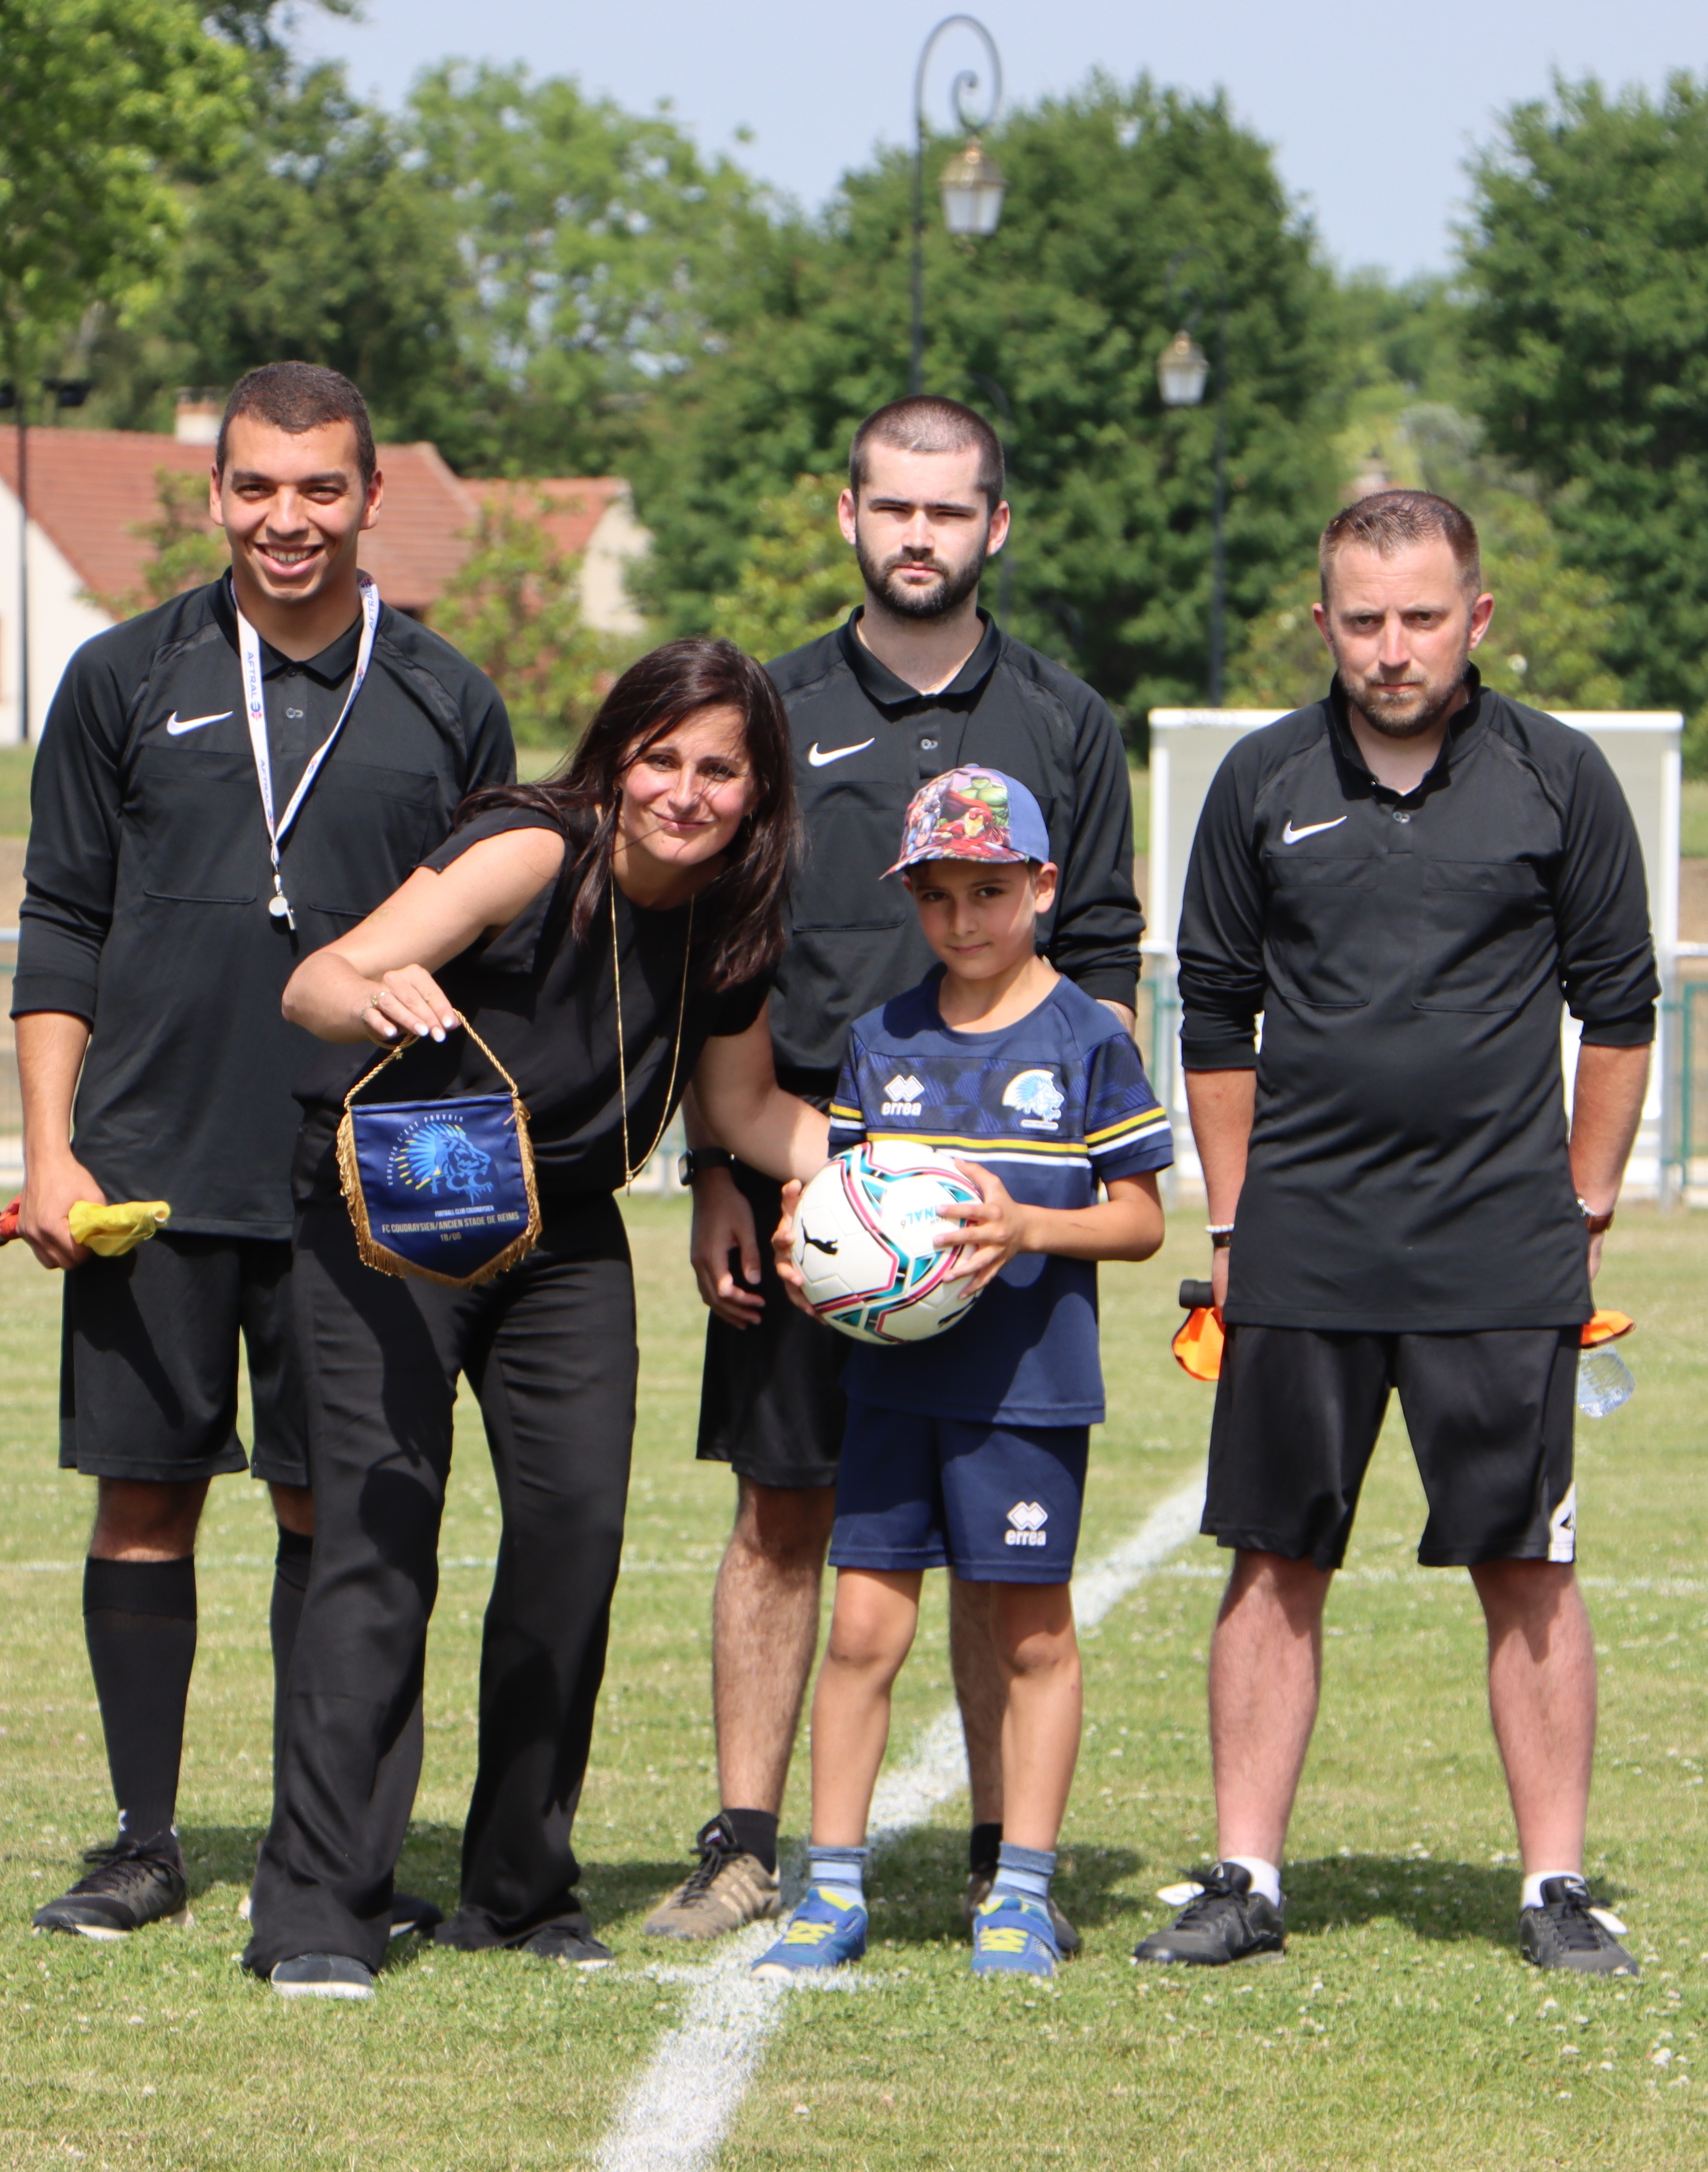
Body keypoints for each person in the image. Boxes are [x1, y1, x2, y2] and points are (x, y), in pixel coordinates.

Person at [12, 362, 514, 1938]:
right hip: (148, 1167)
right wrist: (49, 1147)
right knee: (145, 1499)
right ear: (213, 494)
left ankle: (331, 1847)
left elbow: (489, 953)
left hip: (356, 1186)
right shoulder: (119, 675)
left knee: (336, 1513)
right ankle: (141, 1837)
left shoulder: (447, 693)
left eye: (318, 489)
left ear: (371, 496)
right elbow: (61, 921)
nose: (284, 519)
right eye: (254, 487)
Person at [1142, 489, 1657, 1978]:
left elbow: (1617, 1008)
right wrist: (1234, 1223)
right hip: (1300, 1239)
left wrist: (1585, 1197)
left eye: (1421, 616)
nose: (1391, 646)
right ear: (1323, 622)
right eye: (1361, 619)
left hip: (1500, 1244)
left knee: (1528, 1565)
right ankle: (1243, 1873)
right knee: (1271, 1557)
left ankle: (1556, 1885)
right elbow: (1216, 1012)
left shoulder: (1559, 778)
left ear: (1476, 617)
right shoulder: (1257, 780)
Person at [247, 637, 810, 1999]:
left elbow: (738, 1109)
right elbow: (313, 982)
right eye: (661, 757)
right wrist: (373, 985)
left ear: (756, 789)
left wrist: (879, 1163)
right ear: (617, 759)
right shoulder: (530, 848)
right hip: (407, 1195)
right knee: (381, 1534)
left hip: (566, 1227)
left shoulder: (732, 912)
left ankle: (515, 1890)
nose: (685, 789)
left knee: (574, 1539)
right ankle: (321, 1906)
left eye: (717, 768)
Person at [651, 396, 1143, 1952]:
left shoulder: (1065, 719)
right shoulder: (774, 708)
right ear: (848, 517)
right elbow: (710, 965)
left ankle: (1007, 1856)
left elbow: (1111, 966)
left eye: (950, 511)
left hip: (997, 1231)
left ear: (995, 524)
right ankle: (745, 1843)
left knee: (999, 1553)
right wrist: (712, 1166)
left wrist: (1040, 1204)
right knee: (785, 1511)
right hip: (808, 1189)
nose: (918, 535)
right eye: (893, 509)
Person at [746, 767, 1169, 1984]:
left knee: (1030, 1635)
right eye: (937, 897)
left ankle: (1020, 1892)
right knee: (864, 1633)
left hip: (1026, 1396)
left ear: (1041, 887)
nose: (964, 919)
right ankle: (830, 1889)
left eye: (990, 891)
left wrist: (1028, 1229)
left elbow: (1139, 1221)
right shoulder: (882, 1041)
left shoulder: (1089, 1040)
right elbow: (840, 1206)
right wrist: (804, 1247)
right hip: (889, 1390)